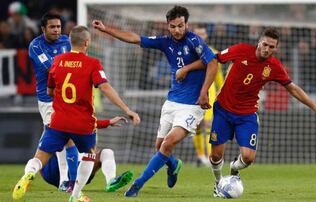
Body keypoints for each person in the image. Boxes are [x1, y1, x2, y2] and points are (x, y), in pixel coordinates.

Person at [179, 27, 316, 197]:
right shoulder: (240, 50)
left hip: (247, 115)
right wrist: (187, 69)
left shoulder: (274, 66)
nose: (267, 49)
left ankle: (233, 168)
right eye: (265, 44)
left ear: (276, 48)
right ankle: (219, 184)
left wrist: (315, 107)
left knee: (247, 158)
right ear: (259, 42)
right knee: (216, 156)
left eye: (271, 47)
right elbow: (212, 60)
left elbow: (292, 88)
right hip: (223, 110)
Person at [92, 5, 218, 197]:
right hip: (172, 102)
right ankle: (174, 165)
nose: (177, 30)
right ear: (167, 26)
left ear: (186, 24)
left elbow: (213, 62)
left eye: (181, 25)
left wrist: (201, 90)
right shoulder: (165, 42)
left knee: (167, 144)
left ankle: (138, 184)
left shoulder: (194, 40)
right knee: (160, 147)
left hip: (192, 106)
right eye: (173, 26)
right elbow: (135, 38)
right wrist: (106, 29)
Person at [12, 25, 141, 202]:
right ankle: (75, 194)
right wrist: (127, 109)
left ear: (70, 42)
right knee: (89, 155)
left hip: (58, 121)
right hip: (82, 123)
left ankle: (28, 174)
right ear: (87, 42)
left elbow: (49, 91)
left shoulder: (57, 61)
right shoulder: (93, 63)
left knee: (40, 157)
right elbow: (105, 87)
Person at [28, 12, 77, 192]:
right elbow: (51, 68)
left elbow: (77, 62)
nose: (56, 30)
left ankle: (30, 172)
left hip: (66, 97)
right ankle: (64, 179)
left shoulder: (67, 41)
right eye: (52, 27)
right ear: (43, 29)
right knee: (62, 137)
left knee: (60, 136)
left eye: (58, 26)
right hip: (48, 99)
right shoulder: (36, 46)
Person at [41, 116, 134, 193]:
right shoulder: (65, 119)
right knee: (63, 139)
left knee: (107, 152)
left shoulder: (85, 121)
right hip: (54, 171)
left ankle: (111, 181)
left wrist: (108, 122)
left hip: (81, 172)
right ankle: (63, 180)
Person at [192, 26, 224, 166]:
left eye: (202, 34)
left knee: (208, 125)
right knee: (196, 126)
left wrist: (221, 92)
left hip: (209, 93)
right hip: (192, 93)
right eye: (197, 34)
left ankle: (210, 157)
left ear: (206, 36)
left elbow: (218, 77)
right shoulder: (188, 52)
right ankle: (200, 156)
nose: (200, 37)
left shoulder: (214, 53)